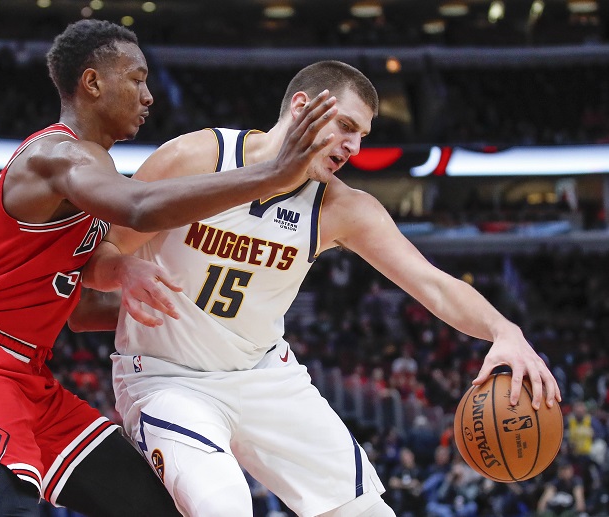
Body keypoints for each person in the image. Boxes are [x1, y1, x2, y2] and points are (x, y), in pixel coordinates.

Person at [76, 60, 561, 516]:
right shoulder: (198, 156)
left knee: (365, 511)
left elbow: (433, 285)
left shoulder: (341, 208)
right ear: (302, 106)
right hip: (168, 378)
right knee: (222, 504)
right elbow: (97, 255)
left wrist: (504, 331)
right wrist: (122, 270)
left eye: (363, 136)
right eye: (346, 126)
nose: (354, 147)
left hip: (264, 374)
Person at [0, 20, 339, 517]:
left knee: (157, 508)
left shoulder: (91, 170)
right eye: (137, 79)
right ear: (93, 83)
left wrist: (167, 297)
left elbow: (81, 310)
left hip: (27, 373)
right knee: (4, 510)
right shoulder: (55, 154)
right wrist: (269, 174)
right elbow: (140, 208)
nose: (149, 96)